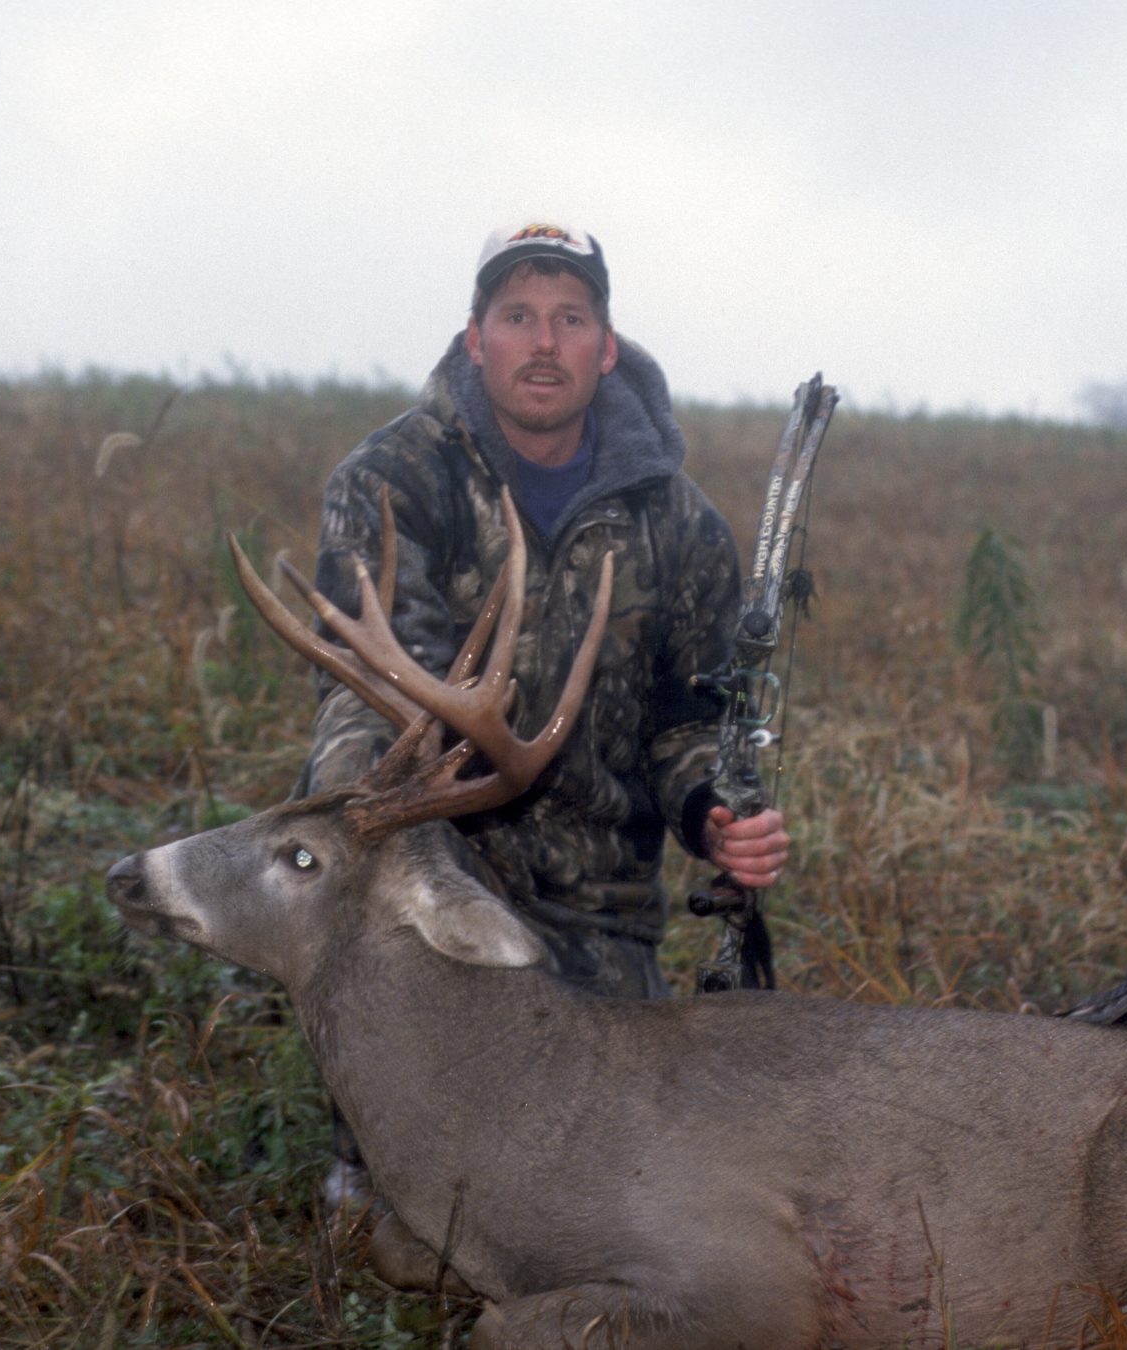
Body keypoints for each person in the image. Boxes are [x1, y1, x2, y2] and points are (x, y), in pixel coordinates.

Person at [297, 221, 788, 1206]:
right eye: (517, 316)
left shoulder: (678, 523)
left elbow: (690, 724)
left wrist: (714, 815)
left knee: (597, 1176)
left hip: (595, 902)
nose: (544, 341)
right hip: (432, 865)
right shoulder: (392, 482)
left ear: (604, 348)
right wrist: (366, 814)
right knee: (403, 1182)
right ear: (475, 338)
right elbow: (367, 697)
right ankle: (363, 1163)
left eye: (569, 319)